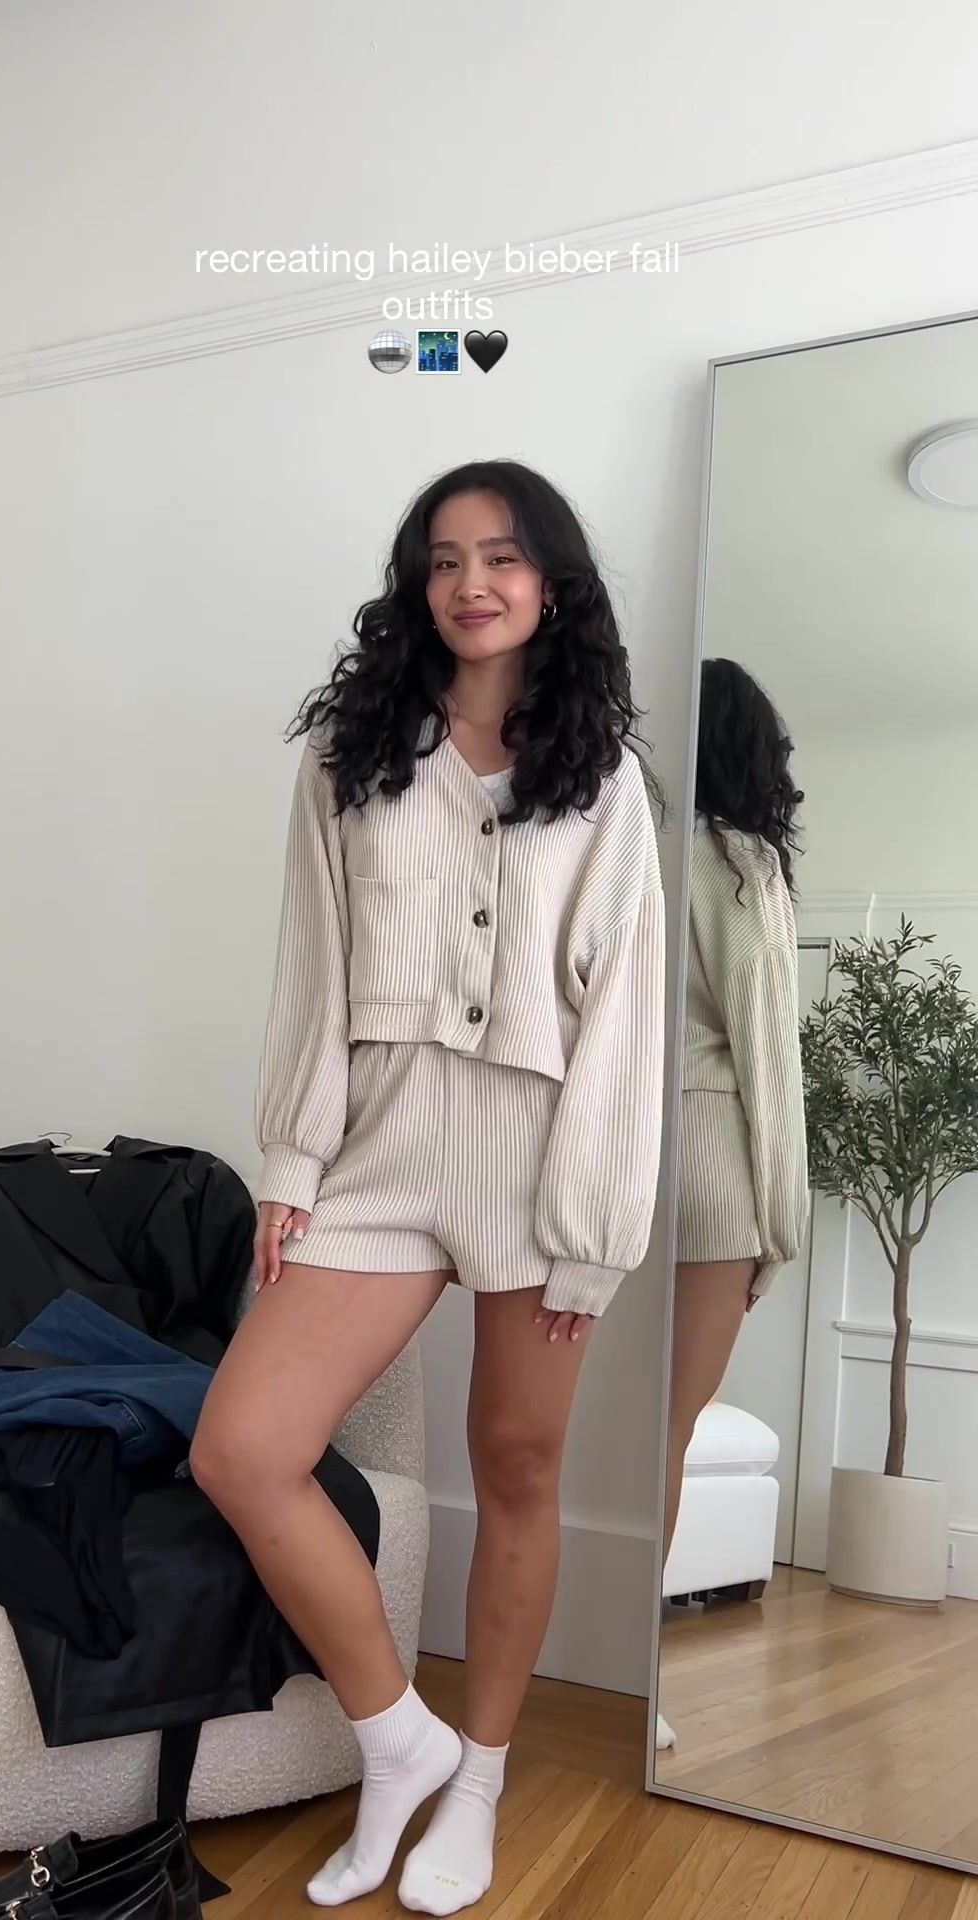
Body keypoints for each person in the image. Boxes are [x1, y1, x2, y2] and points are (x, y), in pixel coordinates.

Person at [190, 459, 667, 1913]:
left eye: (503, 556)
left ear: (551, 583)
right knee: (244, 1450)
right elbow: (313, 967)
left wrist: (592, 1233)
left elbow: (624, 1013)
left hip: (538, 1160)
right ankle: (400, 1736)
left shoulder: (605, 778)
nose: (473, 583)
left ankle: (482, 1780)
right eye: (445, 559)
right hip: (381, 1153)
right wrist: (292, 1159)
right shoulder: (350, 760)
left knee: (518, 1472)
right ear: (417, 585)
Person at [658, 656, 809, 1751]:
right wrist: (781, 1226)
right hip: (711, 1164)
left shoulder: (628, 847)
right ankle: (637, 1677)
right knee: (666, 1434)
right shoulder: (740, 863)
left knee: (596, 1433)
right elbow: (767, 1054)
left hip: (613, 1154)